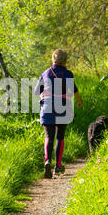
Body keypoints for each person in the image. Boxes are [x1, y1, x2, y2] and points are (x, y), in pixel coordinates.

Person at [34, 49, 83, 178]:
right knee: (60, 137)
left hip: (47, 107)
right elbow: (73, 89)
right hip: (62, 106)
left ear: (53, 59)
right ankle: (58, 166)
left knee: (49, 136)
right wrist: (79, 101)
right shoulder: (67, 73)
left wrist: (45, 95)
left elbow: (36, 91)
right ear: (65, 60)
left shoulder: (45, 73)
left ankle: (47, 161)